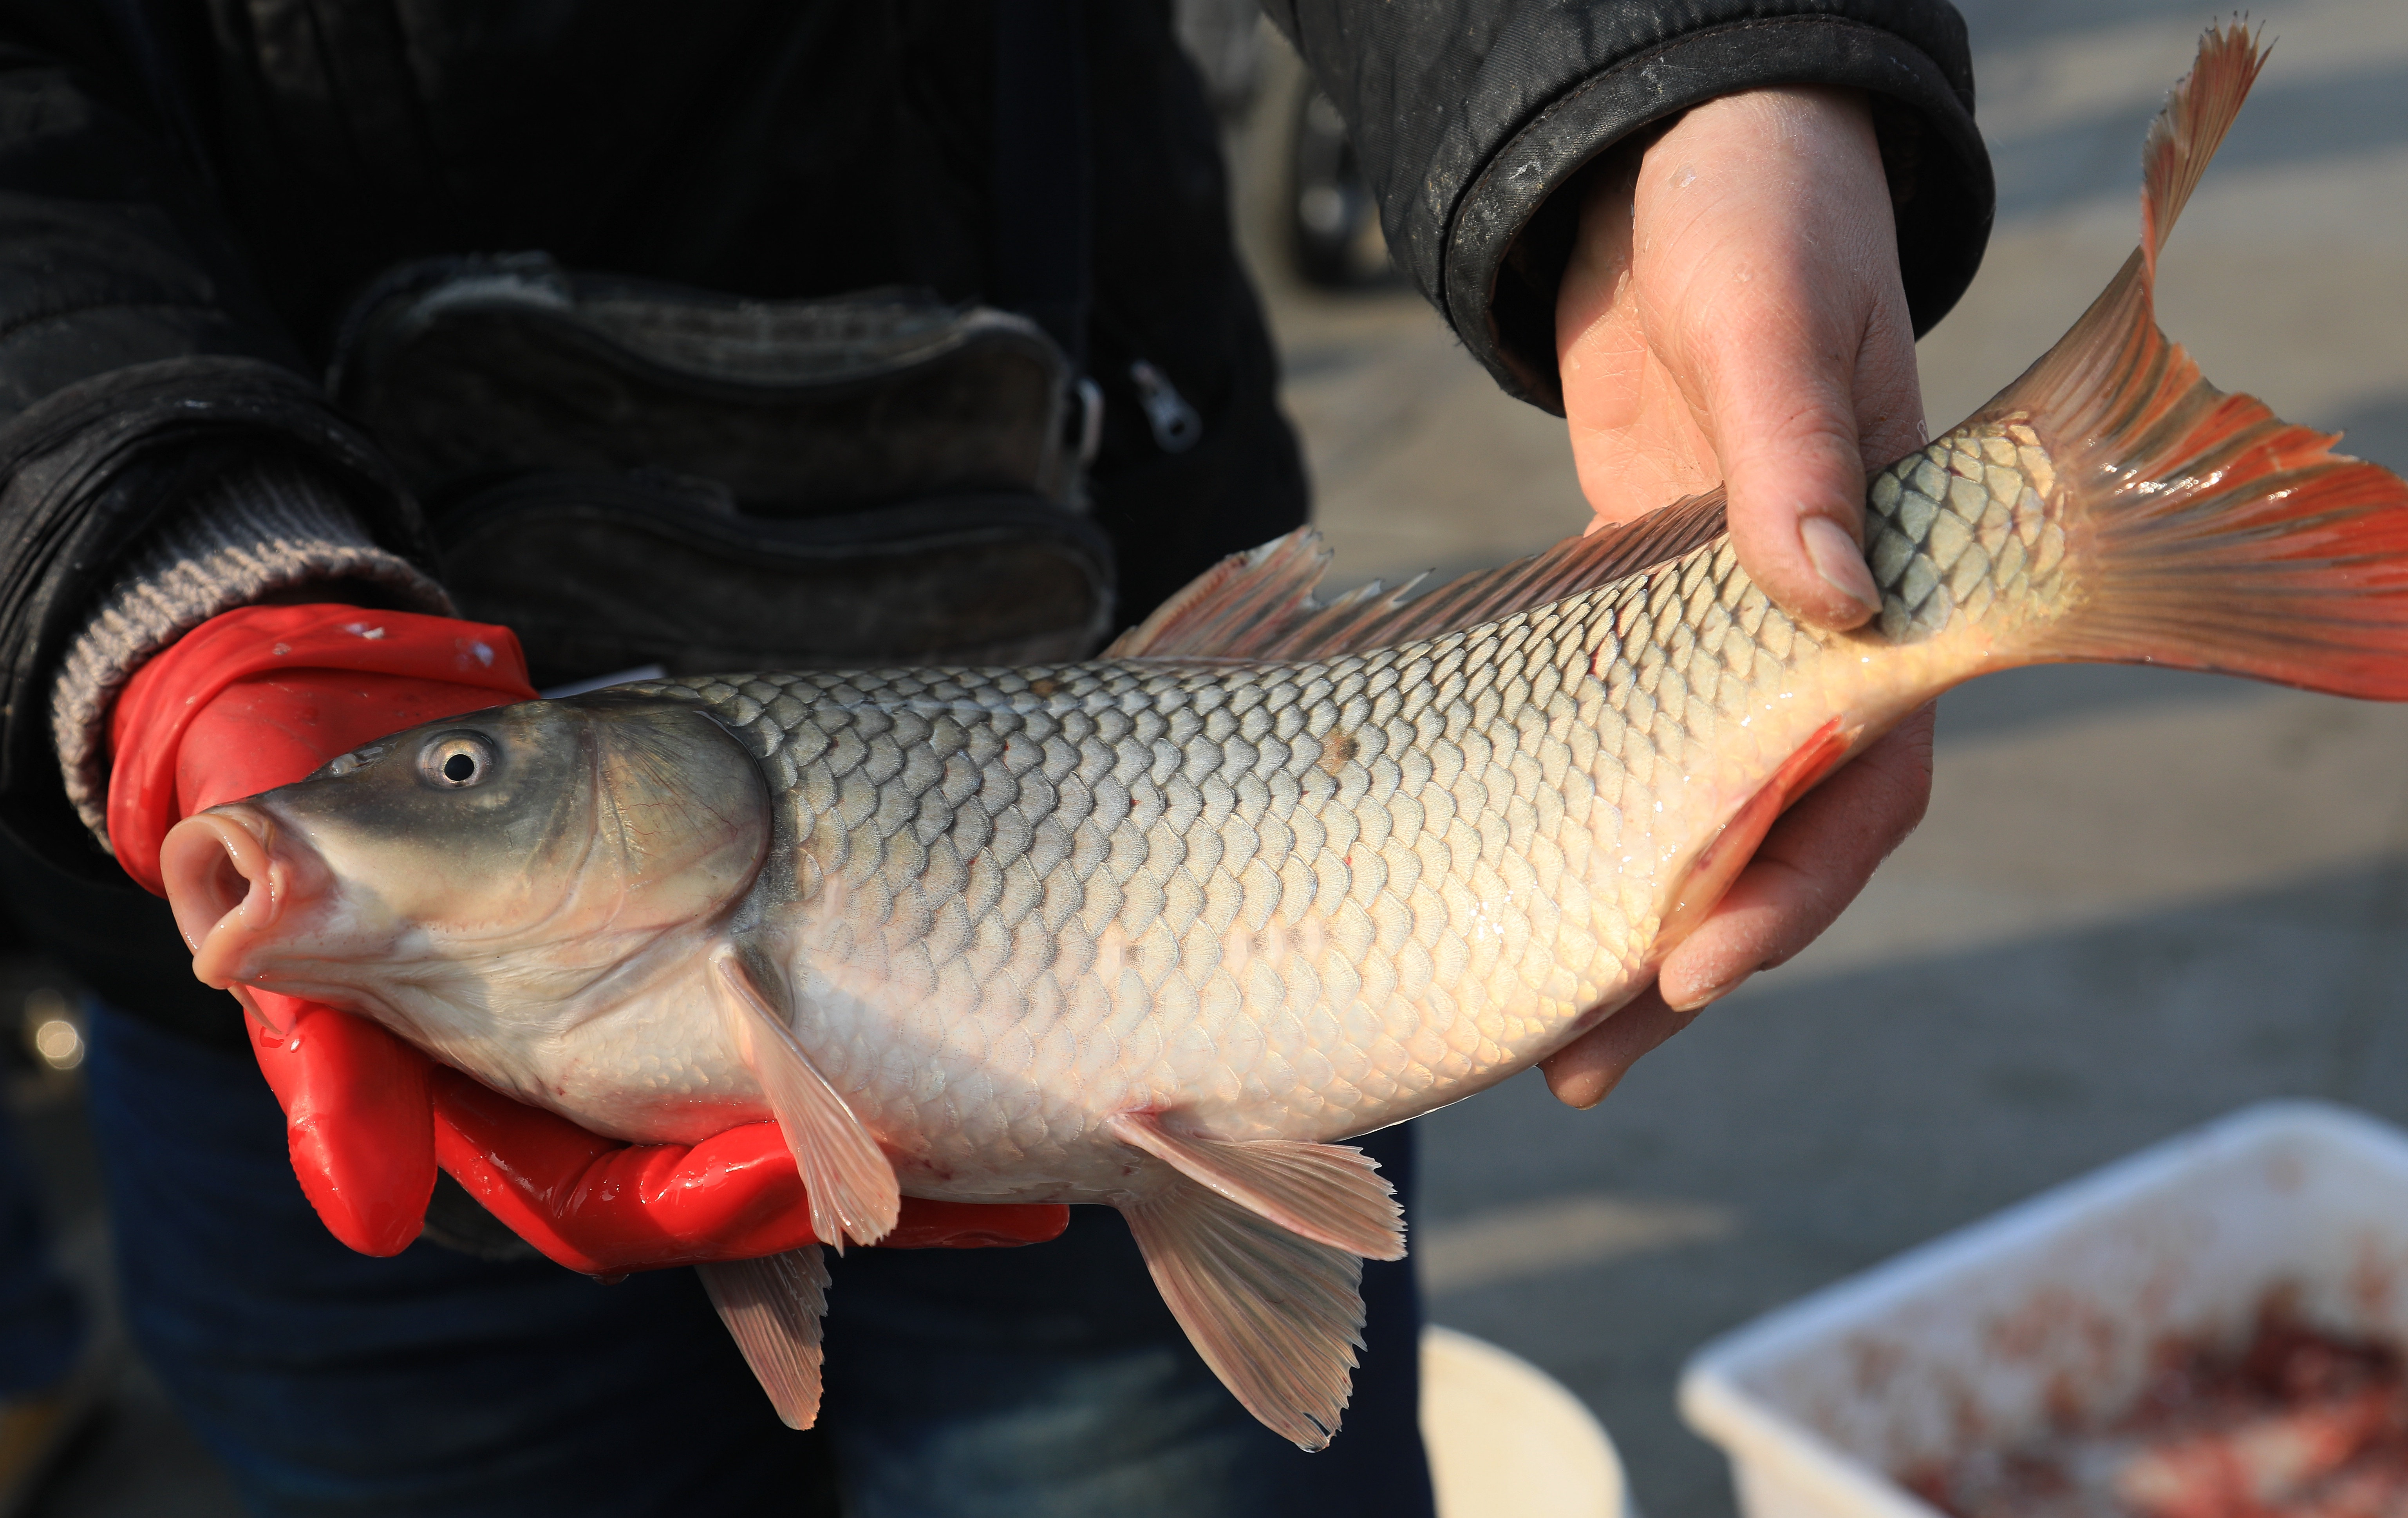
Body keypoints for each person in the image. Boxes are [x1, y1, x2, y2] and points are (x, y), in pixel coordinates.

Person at [0, 2, 1986, 1514]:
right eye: (468, 781)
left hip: (1138, 559)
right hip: (175, 761)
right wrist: (144, 555)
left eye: (467, 779)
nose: (430, 803)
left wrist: (1672, 68)